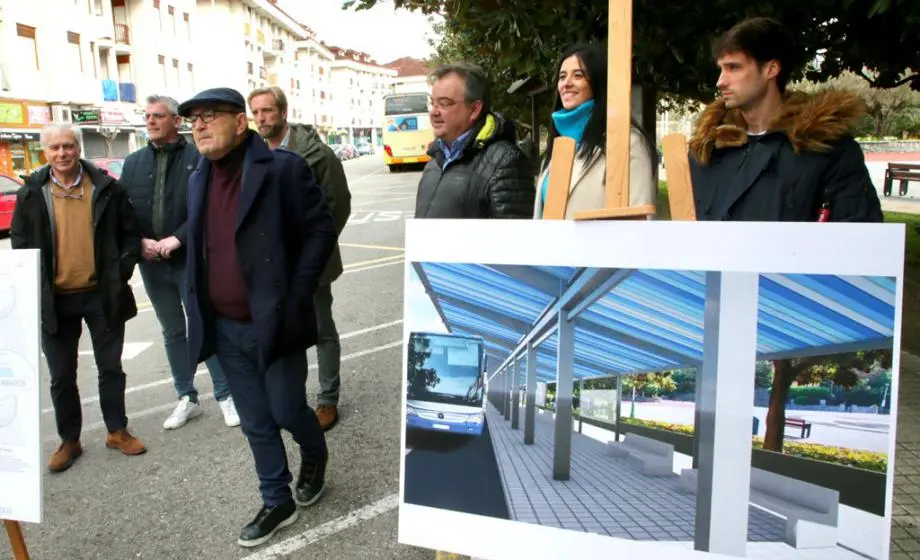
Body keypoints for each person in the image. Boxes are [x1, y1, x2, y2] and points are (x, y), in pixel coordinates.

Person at [178, 87, 337, 547]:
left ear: (240, 122)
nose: (200, 125)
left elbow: (320, 227)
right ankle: (276, 499)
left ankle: (314, 453)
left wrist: (298, 289)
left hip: (275, 321)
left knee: (287, 409)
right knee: (255, 420)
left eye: (210, 116)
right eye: (194, 119)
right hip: (224, 326)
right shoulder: (197, 178)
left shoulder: (281, 168)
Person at [10, 124, 146, 473]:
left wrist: (120, 273)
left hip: (101, 297)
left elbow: (130, 234)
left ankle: (117, 430)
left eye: (68, 146)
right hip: (54, 301)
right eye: (54, 148)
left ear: (78, 147)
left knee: (111, 368)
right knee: (61, 376)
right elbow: (20, 242)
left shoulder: (106, 188)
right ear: (45, 152)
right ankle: (70, 440)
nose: (62, 153)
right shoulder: (31, 193)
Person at [120, 94, 240, 430]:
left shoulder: (198, 157)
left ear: (176, 121)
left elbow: (210, 206)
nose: (151, 121)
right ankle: (186, 397)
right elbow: (123, 212)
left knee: (202, 323)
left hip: (190, 258)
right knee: (173, 330)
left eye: (158, 116)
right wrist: (139, 242)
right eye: (147, 116)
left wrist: (180, 238)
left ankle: (225, 395)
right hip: (152, 262)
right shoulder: (133, 162)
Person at [688, 17, 883, 222]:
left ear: (771, 69)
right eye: (721, 69)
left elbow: (859, 238)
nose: (721, 81)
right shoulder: (706, 148)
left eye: (734, 67)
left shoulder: (828, 151)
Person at [247, 86, 351, 431]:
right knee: (278, 332)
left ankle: (327, 399)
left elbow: (338, 204)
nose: (262, 119)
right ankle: (286, 400)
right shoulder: (252, 155)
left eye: (267, 111)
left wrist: (313, 250)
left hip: (312, 264)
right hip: (270, 266)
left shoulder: (316, 154)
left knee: (322, 330)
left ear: (283, 111)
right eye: (256, 112)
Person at [534, 43, 657, 219]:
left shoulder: (629, 142)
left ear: (599, 83)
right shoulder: (558, 144)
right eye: (562, 76)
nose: (566, 83)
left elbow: (640, 221)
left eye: (578, 75)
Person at [415, 61, 535, 219]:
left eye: (444, 103)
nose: (434, 112)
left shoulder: (505, 162)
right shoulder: (434, 164)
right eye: (432, 103)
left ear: (474, 109)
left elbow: (514, 238)